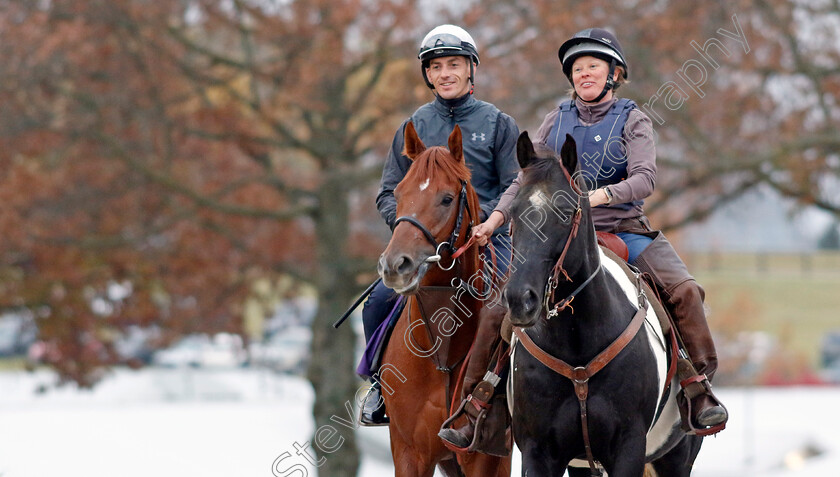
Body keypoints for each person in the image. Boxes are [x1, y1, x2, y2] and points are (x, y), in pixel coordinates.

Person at [439, 28, 728, 445]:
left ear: (614, 74)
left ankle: (697, 389)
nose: (584, 74)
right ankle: (477, 405)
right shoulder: (555, 120)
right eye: (577, 69)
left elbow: (645, 178)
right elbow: (525, 179)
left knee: (684, 292)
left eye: (593, 66)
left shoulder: (634, 119)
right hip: (560, 237)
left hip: (624, 230)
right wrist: (496, 219)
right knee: (500, 308)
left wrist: (597, 196)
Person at [359, 24, 520, 426]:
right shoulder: (412, 127)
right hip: (427, 247)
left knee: (522, 303)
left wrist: (489, 226)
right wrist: (412, 232)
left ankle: (529, 390)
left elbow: (516, 187)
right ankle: (382, 387)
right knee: (378, 301)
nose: (445, 73)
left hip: (488, 242)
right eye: (436, 67)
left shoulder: (499, 124)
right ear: (427, 75)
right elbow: (387, 192)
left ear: (471, 70)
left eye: (454, 64)